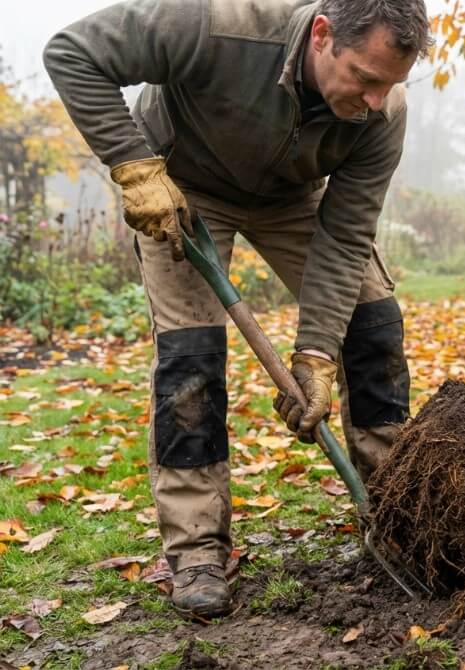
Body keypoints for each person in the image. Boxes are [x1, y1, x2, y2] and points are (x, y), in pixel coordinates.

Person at [44, 0, 430, 619]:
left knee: (373, 324)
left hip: (292, 196)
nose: (376, 100)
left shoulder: (382, 114)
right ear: (323, 35)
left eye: (389, 84)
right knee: (190, 359)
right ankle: (197, 551)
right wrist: (134, 166)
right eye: (363, 77)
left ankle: (396, 511)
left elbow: (346, 234)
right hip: (180, 187)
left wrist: (314, 354)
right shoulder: (216, 22)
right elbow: (72, 53)